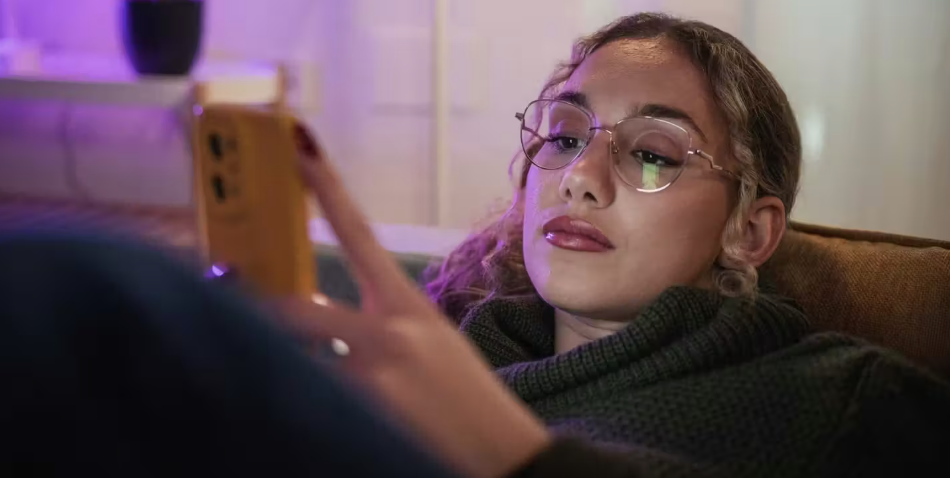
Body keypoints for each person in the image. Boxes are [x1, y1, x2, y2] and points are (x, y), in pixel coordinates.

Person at [0, 11, 947, 478]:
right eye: (563, 135)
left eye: (654, 154)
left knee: (92, 288)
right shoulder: (443, 345)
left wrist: (518, 458)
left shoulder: (848, 402)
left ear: (752, 228)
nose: (580, 177)